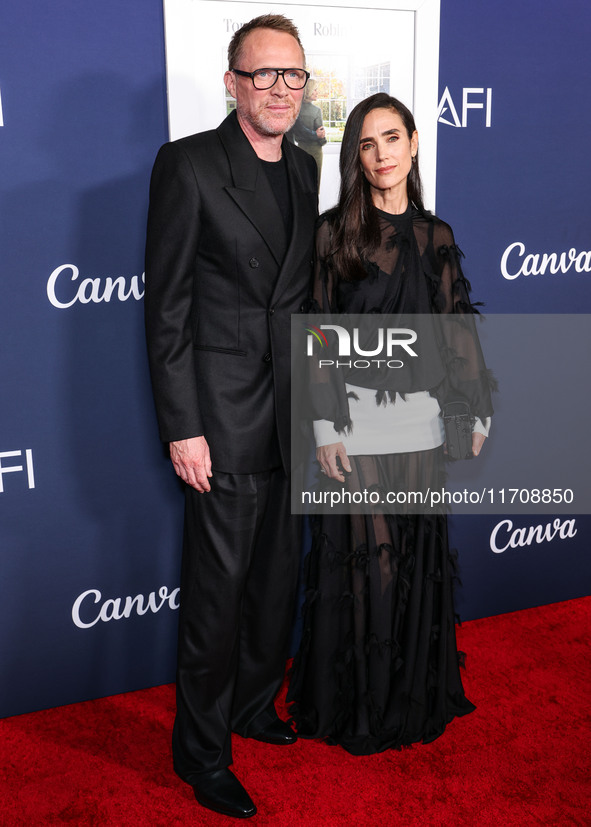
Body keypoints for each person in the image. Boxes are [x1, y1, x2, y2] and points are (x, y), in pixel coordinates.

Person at [144, 15, 318, 819]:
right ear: (231, 82)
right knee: (216, 600)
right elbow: (167, 307)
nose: (278, 89)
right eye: (262, 75)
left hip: (294, 417)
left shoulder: (308, 169)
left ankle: (253, 706)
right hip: (220, 421)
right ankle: (201, 753)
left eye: (292, 76)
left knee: (275, 586)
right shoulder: (187, 165)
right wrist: (183, 424)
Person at [287, 93, 494, 755]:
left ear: (411, 143)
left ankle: (410, 701)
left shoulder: (436, 236)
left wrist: (473, 408)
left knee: (410, 565)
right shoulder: (332, 234)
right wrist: (324, 428)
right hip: (356, 431)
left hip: (421, 428)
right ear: (354, 156)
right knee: (364, 568)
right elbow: (316, 335)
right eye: (366, 145)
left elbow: (454, 331)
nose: (380, 155)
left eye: (391, 138)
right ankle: (361, 708)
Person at [287, 79, 326, 185]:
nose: (317, 92)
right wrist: (322, 138)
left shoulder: (295, 108)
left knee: (300, 184)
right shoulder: (316, 110)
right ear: (308, 91)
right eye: (315, 90)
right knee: (314, 183)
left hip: (300, 148)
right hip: (315, 151)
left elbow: (297, 131)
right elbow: (321, 136)